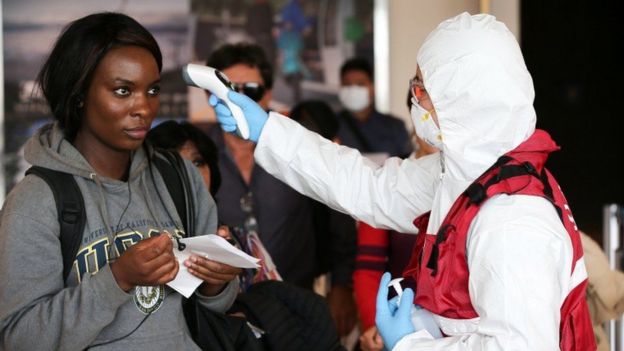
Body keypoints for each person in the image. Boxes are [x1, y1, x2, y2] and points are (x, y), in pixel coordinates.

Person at [209, 12, 596, 350]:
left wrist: (412, 343)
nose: (414, 100)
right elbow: (371, 188)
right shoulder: (469, 176)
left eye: (423, 89)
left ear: (464, 100)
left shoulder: (511, 219)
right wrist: (268, 131)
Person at [0, 13, 240, 350]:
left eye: (152, 89)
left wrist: (216, 283)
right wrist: (117, 279)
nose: (144, 107)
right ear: (79, 93)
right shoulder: (35, 202)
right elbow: (19, 339)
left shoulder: (177, 176)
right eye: (123, 90)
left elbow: (212, 306)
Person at [201, 42, 357, 337]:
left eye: (251, 89)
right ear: (210, 95)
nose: (239, 99)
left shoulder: (296, 145)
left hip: (296, 306)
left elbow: (337, 212)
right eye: (228, 89)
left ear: (269, 93)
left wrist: (341, 286)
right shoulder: (196, 155)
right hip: (224, 313)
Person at [147, 120, 282, 290]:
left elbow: (275, 301)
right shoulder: (135, 243)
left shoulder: (242, 241)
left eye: (198, 163)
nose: (192, 175)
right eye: (176, 165)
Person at [289, 100, 358, 337]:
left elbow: (344, 234)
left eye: (313, 135)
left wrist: (341, 286)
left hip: (324, 283)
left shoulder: (335, 174)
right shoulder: (280, 171)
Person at [337, 57, 412, 159]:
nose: (353, 90)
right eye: (347, 84)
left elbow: (408, 163)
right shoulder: (330, 125)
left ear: (372, 87)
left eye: (360, 84)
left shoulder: (395, 127)